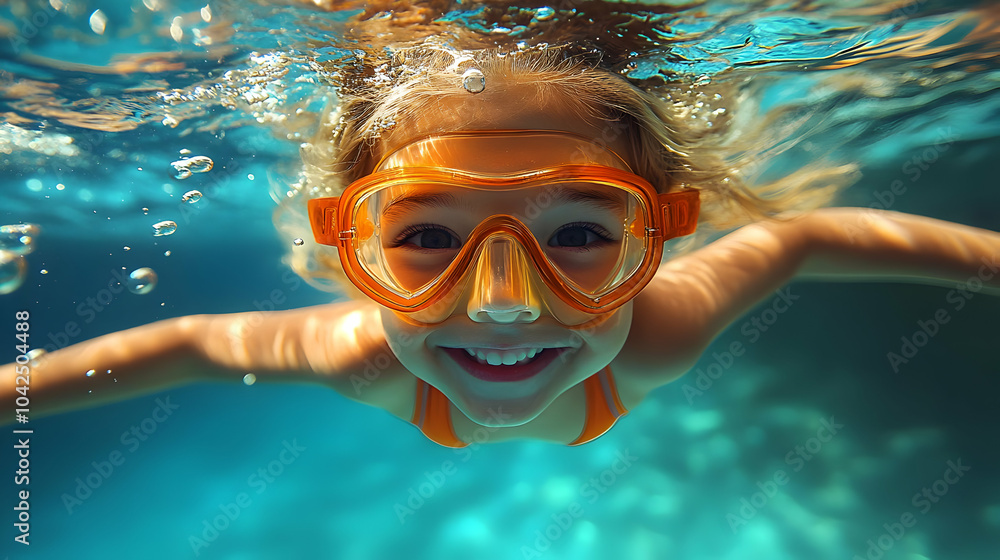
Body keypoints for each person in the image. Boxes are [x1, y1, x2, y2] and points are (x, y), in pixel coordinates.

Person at [3, 45, 999, 447]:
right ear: (354, 246)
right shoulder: (366, 349)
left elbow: (803, 236)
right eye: (428, 236)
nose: (506, 302)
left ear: (654, 236)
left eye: (577, 232)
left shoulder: (654, 328)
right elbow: (194, 343)